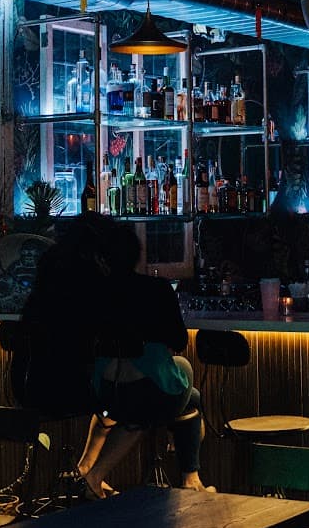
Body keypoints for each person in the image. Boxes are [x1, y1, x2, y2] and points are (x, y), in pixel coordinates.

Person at [21, 213, 212, 497]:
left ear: (103, 258)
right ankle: (183, 479)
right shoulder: (157, 289)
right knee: (183, 385)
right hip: (139, 393)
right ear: (137, 255)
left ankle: (86, 468)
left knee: (187, 398)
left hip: (103, 390)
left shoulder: (92, 293)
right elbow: (179, 340)